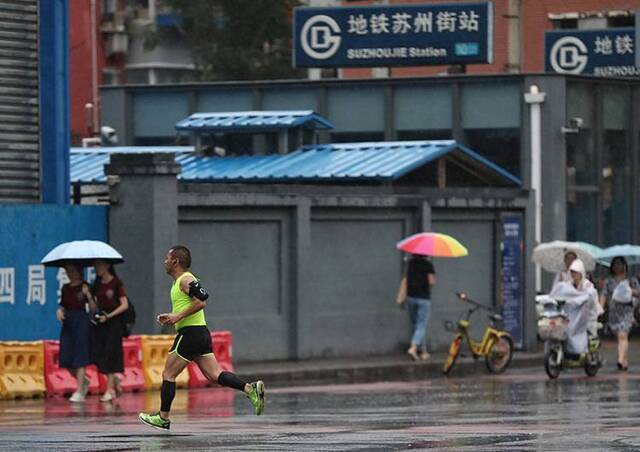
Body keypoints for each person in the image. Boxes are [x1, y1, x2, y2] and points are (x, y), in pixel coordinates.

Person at [139, 245, 265, 431]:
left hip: (190, 334)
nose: (164, 262)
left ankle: (163, 418)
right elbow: (192, 303)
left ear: (175, 261)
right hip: (200, 334)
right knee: (214, 375)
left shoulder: (185, 279)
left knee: (168, 374)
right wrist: (173, 317)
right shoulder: (179, 282)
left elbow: (202, 299)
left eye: (167, 258)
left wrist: (178, 317)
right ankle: (250, 389)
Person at [56, 262, 94, 403]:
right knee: (65, 358)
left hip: (82, 322)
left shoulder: (85, 286)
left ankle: (79, 391)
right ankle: (84, 381)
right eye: (68, 271)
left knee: (80, 356)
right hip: (68, 323)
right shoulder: (66, 288)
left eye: (72, 270)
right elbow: (63, 306)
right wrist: (60, 311)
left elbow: (93, 308)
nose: (70, 273)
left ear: (79, 271)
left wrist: (88, 295)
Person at [91, 259, 129, 402]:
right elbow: (94, 307)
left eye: (99, 265)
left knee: (110, 354)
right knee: (101, 354)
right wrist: (89, 296)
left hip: (114, 323)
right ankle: (115, 383)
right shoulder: (97, 285)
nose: (97, 268)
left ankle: (109, 390)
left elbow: (124, 305)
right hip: (101, 323)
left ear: (107, 265)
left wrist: (110, 316)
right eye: (96, 266)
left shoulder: (116, 283)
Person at [550, 259, 602, 357]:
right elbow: (561, 293)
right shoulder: (569, 284)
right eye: (572, 272)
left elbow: (590, 296)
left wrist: (580, 299)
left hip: (585, 315)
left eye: (576, 272)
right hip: (571, 315)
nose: (574, 275)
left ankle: (582, 351)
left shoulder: (587, 285)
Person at [599, 256, 639, 371]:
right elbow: (604, 295)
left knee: (623, 335)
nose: (618, 266)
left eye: (620, 264)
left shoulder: (631, 280)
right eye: (615, 264)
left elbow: (638, 293)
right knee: (620, 336)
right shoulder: (609, 281)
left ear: (624, 265)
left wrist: (631, 291)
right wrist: (600, 308)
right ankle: (624, 360)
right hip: (614, 313)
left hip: (627, 311)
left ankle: (620, 360)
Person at [398, 254, 435, 361]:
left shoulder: (410, 264)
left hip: (410, 297)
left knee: (417, 325)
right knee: (422, 325)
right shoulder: (428, 265)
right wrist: (430, 285)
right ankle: (413, 348)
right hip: (423, 298)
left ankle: (423, 351)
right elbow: (431, 282)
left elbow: (407, 278)